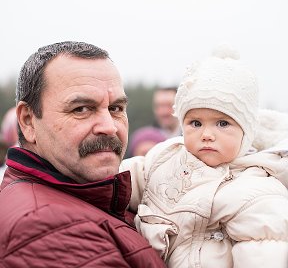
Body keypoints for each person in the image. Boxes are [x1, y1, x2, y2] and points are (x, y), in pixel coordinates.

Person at [0, 41, 166, 267]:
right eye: (81, 109)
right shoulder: (47, 228)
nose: (109, 127)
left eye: (115, 108)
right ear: (28, 121)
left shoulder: (89, 199)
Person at [120, 46, 288, 267]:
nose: (207, 135)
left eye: (222, 123)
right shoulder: (165, 157)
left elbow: (264, 250)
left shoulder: (257, 189)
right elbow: (117, 180)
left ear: (245, 131)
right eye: (195, 123)